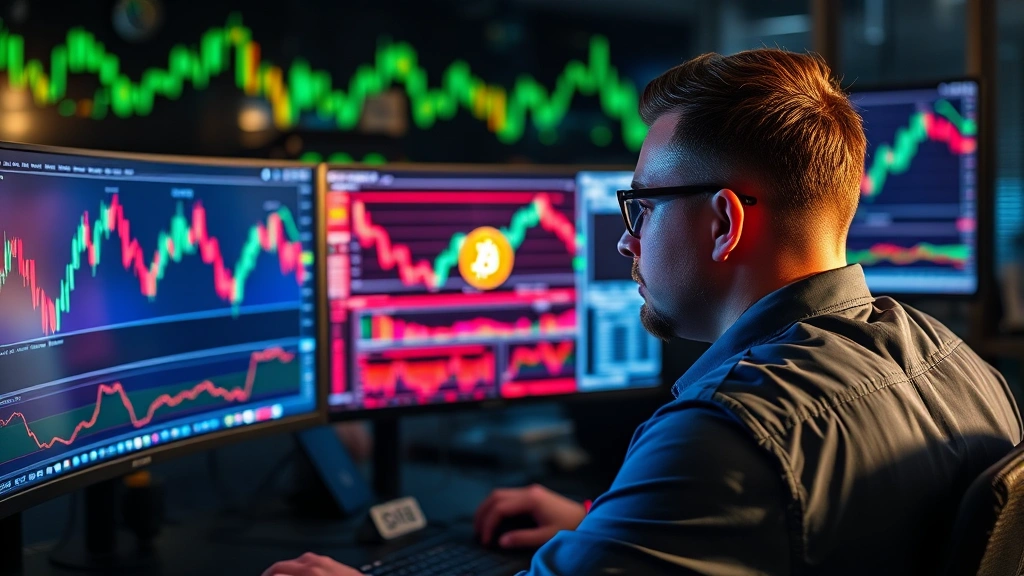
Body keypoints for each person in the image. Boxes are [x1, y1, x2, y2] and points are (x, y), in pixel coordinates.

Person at [262, 48, 1022, 576]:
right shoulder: (963, 367)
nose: (625, 241)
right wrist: (609, 524)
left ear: (724, 223)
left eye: (643, 207)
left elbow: (748, 488)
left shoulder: (729, 437)